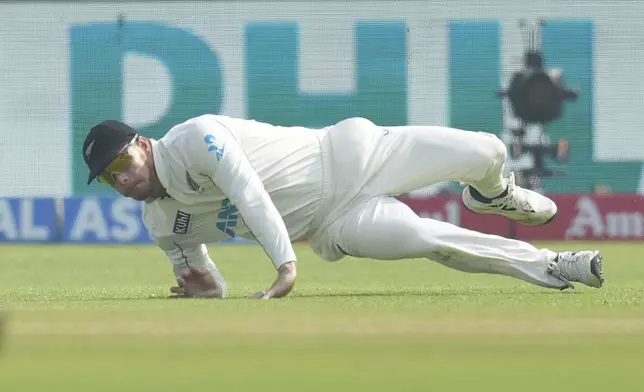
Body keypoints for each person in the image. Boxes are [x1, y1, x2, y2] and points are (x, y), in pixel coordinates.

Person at [82, 115, 604, 299]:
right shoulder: (160, 225)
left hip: (351, 154)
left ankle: (491, 193)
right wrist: (207, 287)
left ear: (144, 144)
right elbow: (207, 282)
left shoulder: (196, 138)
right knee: (427, 240)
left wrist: (285, 264)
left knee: (487, 149)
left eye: (123, 160)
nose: (122, 178)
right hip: (334, 224)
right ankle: (554, 265)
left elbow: (250, 194)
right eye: (109, 177)